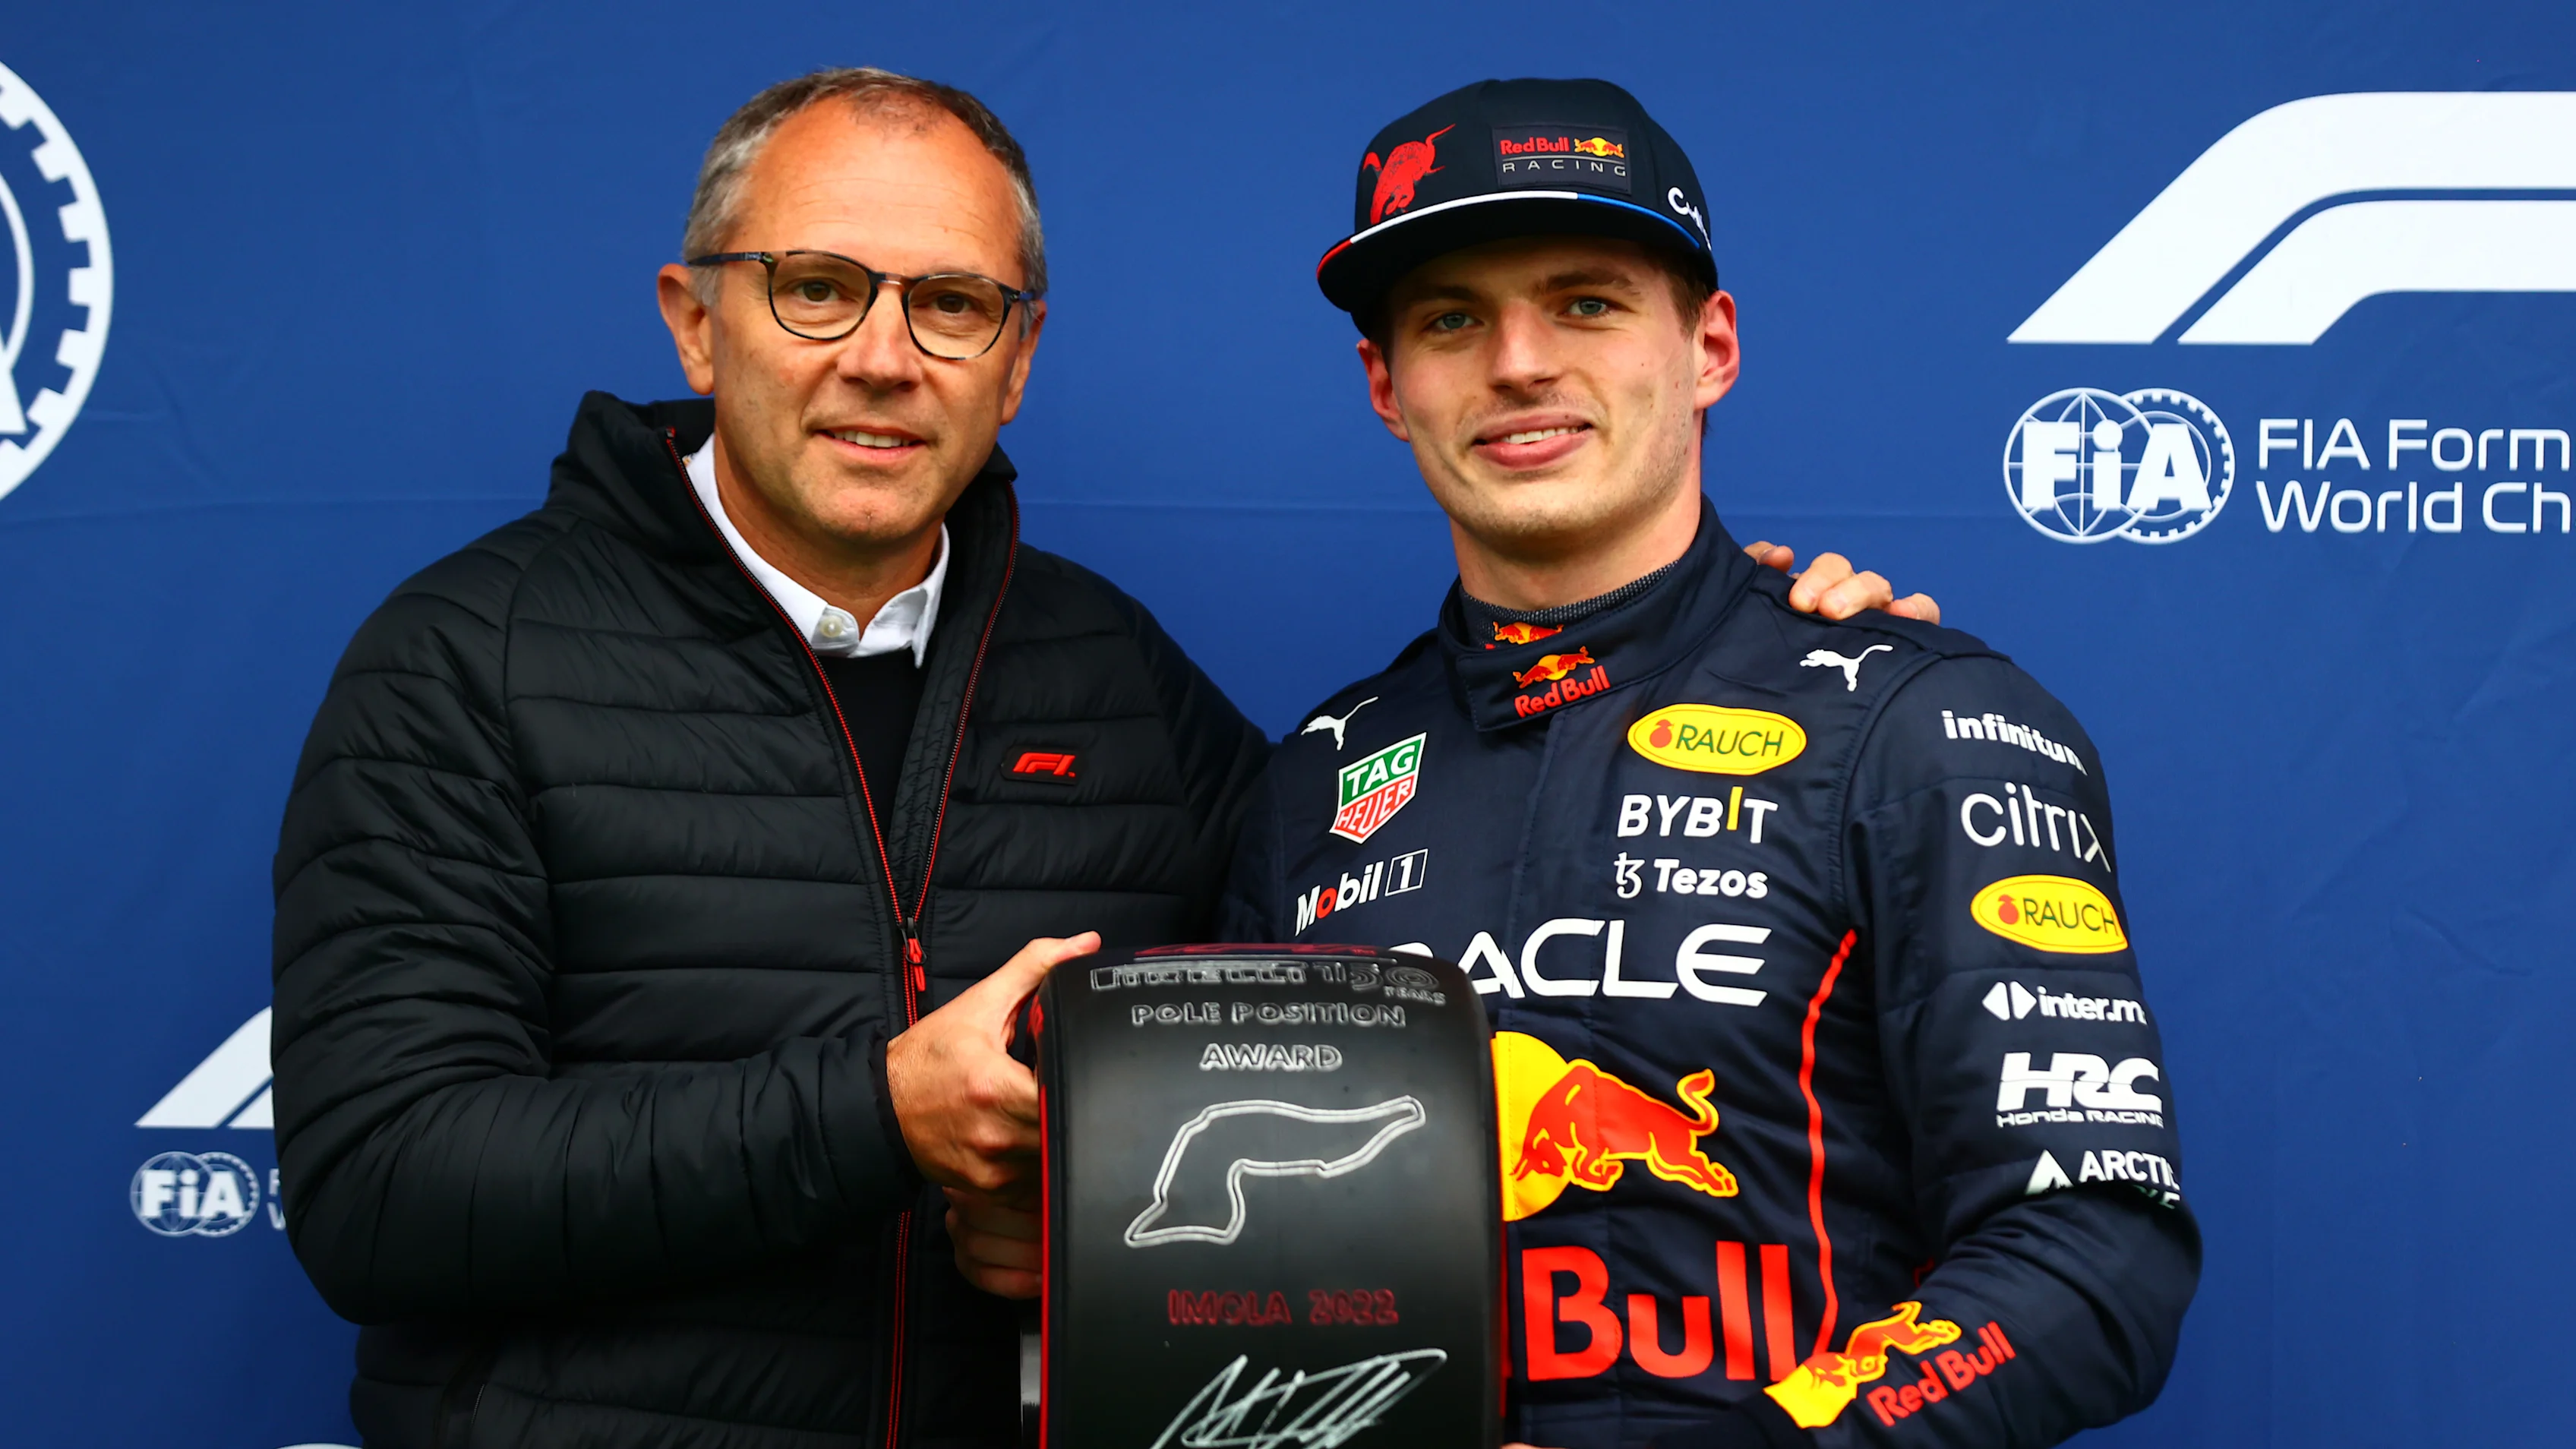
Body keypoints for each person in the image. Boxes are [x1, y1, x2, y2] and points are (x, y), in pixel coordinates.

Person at [271, 67, 1940, 1449]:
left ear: (1019, 354)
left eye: (949, 304)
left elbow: (1333, 1008)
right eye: (816, 288)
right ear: (696, 324)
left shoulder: (1112, 678)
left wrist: (1757, 645)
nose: (880, 355)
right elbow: (378, 1190)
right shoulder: (465, 661)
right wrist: (875, 1118)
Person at [1219, 78, 2197, 1449]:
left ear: (1710, 346)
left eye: (1587, 302)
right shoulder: (1313, 785)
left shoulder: (1923, 724)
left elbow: (2094, 1254)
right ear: (1389, 386)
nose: (1516, 364)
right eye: (1451, 319)